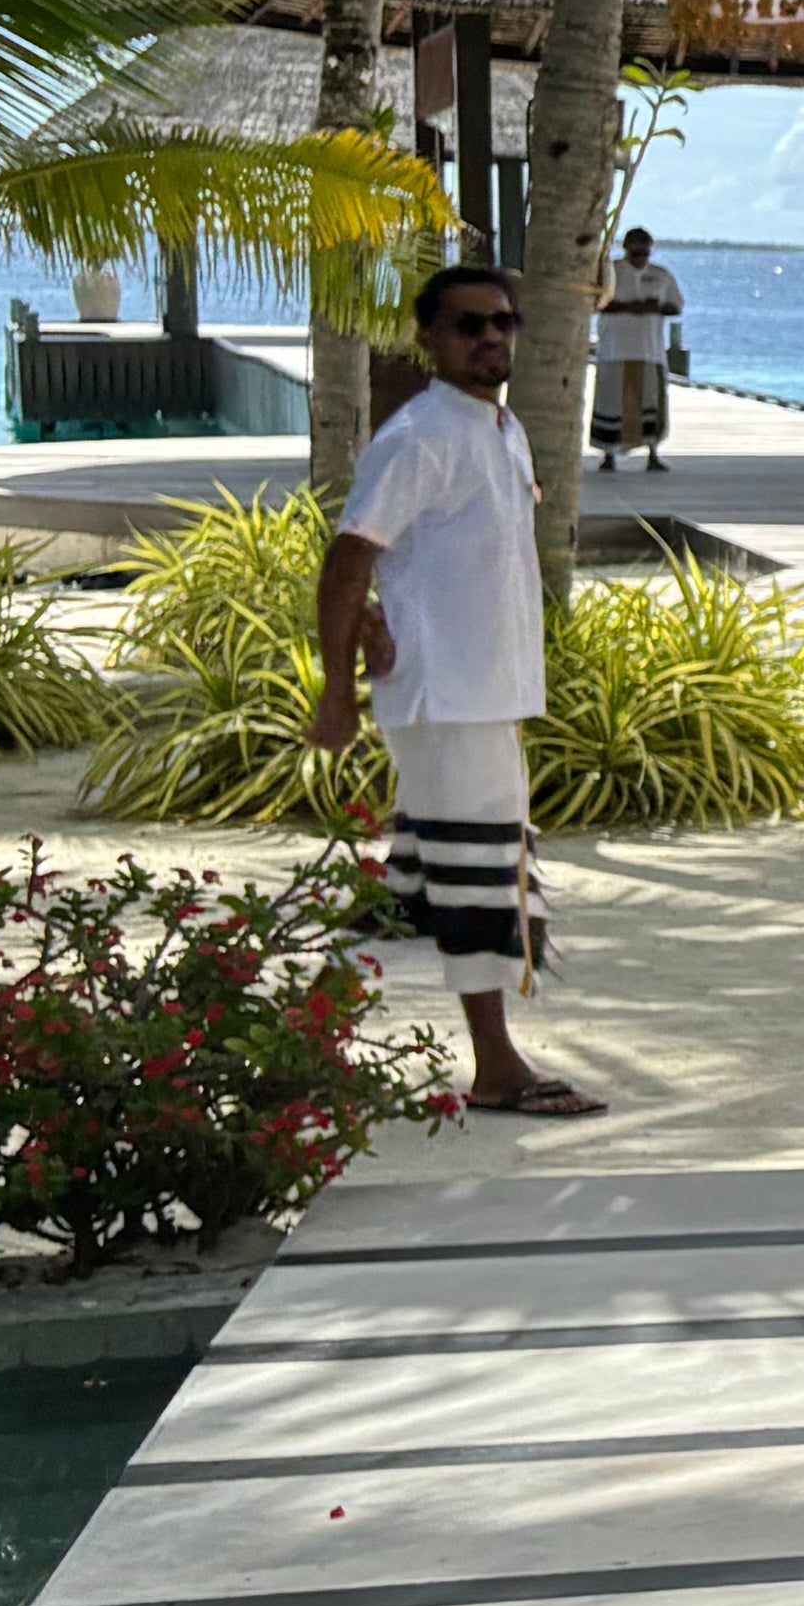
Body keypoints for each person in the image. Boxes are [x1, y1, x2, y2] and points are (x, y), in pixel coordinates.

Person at [305, 260, 601, 1119]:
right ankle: (499, 1066)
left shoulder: (500, 428)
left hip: (488, 693)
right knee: (477, 874)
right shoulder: (421, 435)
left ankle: (307, 1028)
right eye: (469, 325)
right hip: (445, 695)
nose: (490, 338)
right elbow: (349, 554)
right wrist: (336, 692)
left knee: (435, 876)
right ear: (430, 338)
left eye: (502, 323)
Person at [591, 227, 685, 470]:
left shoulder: (661, 276)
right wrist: (627, 307)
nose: (640, 257)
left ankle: (652, 453)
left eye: (644, 252)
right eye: (635, 251)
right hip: (614, 348)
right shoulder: (611, 272)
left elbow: (676, 307)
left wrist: (654, 308)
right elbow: (595, 304)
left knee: (651, 401)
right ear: (626, 249)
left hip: (649, 350)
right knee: (610, 401)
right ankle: (608, 454)